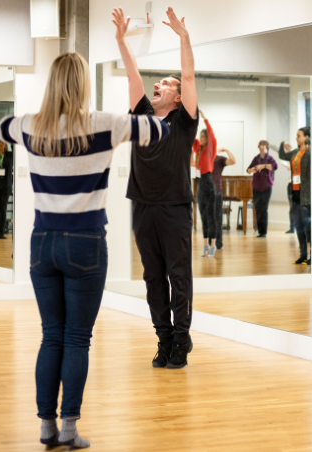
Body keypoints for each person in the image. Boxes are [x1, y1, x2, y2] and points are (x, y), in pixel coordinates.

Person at [0, 52, 169, 449]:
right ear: (83, 84)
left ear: (52, 83)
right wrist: (158, 101)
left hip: (42, 244)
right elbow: (157, 131)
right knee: (77, 338)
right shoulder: (104, 125)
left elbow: (2, 128)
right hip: (86, 243)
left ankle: (46, 427)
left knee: (50, 336)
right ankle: (70, 429)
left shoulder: (29, 127)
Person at [114, 6, 199, 369]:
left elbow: (190, 77)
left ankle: (181, 339)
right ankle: (163, 339)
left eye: (166, 84)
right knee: (152, 277)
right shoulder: (143, 116)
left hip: (175, 207)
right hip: (144, 207)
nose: (159, 86)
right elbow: (132, 73)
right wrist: (120, 39)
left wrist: (184, 37)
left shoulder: (184, 122)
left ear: (177, 97)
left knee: (178, 275)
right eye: (159, 84)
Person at [278, 127, 312, 265]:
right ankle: (303, 255)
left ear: (306, 137)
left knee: (309, 227)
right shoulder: (295, 152)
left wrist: (309, 140)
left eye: (299, 136)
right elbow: (282, 155)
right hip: (296, 194)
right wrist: (282, 144)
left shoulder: (310, 152)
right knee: (300, 226)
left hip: (308, 196)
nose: (296, 138)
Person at [191, 110, 218, 256]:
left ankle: (213, 246)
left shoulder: (209, 149)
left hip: (208, 182)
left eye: (203, 136)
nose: (200, 138)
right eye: (200, 136)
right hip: (200, 183)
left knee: (211, 216)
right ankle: (205, 246)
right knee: (203, 216)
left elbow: (211, 134)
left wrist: (204, 118)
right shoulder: (199, 149)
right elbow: (190, 136)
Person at [247, 140, 277, 237]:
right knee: (258, 209)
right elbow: (248, 170)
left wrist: (263, 166)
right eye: (260, 145)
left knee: (264, 209)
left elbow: (274, 166)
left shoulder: (270, 158)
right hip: (256, 187)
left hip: (267, 187)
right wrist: (251, 170)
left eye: (263, 145)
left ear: (266, 147)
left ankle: (263, 232)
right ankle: (260, 231)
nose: (261, 146)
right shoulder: (256, 159)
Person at [211, 147, 234, 249]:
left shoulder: (219, 159)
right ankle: (210, 242)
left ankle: (218, 242)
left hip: (217, 191)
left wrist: (227, 150)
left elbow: (233, 161)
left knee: (218, 218)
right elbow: (192, 163)